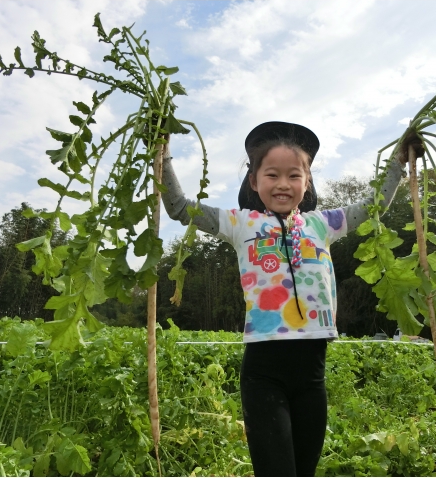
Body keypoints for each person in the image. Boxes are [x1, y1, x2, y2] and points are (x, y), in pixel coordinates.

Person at [160, 121, 412, 476]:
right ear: (254, 181)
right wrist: (163, 154)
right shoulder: (240, 223)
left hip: (312, 375)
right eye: (272, 175)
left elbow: (374, 205)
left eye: (294, 175)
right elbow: (179, 208)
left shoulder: (323, 224)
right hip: (264, 372)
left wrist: (398, 163)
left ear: (307, 182)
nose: (282, 184)